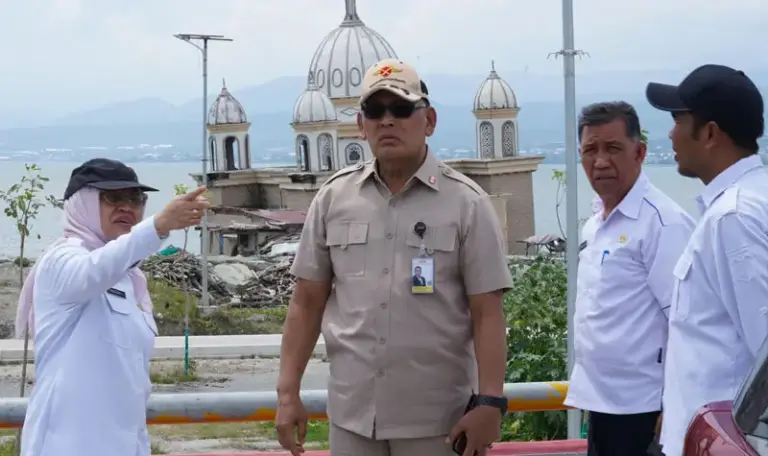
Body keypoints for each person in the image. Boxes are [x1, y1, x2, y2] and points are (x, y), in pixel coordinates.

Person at [275, 58, 512, 456]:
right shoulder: (334, 198)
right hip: (352, 417)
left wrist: (490, 402)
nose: (387, 121)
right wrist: (287, 394)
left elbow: (487, 311)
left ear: (429, 120)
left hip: (438, 421)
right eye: (375, 111)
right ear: (360, 125)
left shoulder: (467, 203)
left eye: (402, 109)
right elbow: (306, 302)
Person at [17, 158, 209, 456]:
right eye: (113, 198)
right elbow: (93, 271)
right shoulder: (64, 259)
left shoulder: (129, 277)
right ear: (83, 205)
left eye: (136, 199)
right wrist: (158, 226)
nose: (127, 207)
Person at [645, 64, 767, 456]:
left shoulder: (733, 218)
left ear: (710, 133)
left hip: (727, 443)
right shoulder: (750, 201)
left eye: (678, 119)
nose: (670, 134)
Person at [562, 102, 694, 456]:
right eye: (590, 150)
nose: (600, 161)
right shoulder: (596, 221)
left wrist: (674, 407)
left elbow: (685, 323)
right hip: (602, 404)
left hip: (644, 411)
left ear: (640, 152)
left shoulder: (663, 223)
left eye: (613, 148)